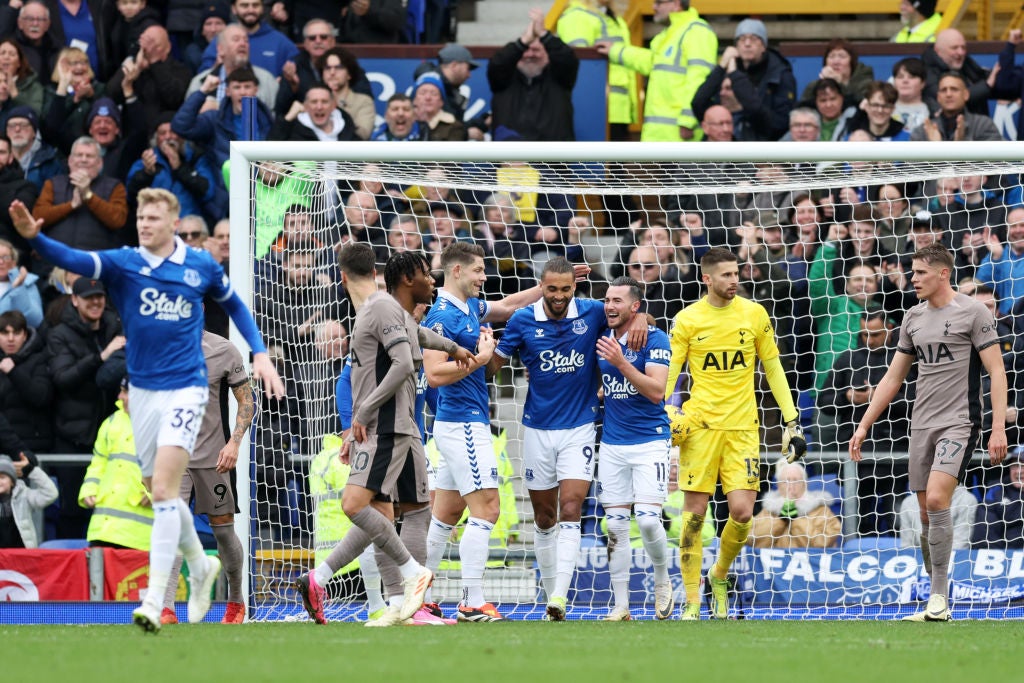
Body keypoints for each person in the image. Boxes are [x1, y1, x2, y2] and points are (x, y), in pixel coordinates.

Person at [8, 187, 284, 632]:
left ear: (172, 223)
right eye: (140, 217)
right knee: (163, 496)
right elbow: (74, 258)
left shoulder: (199, 265)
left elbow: (234, 303)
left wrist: (260, 352)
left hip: (186, 392)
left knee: (168, 498)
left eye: (153, 218)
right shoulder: (124, 262)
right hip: (144, 393)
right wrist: (34, 240)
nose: (144, 224)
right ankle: (199, 565)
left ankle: (157, 602)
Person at [294, 250, 476, 626]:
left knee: (363, 508)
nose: (433, 280)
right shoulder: (382, 308)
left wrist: (361, 413)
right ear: (404, 278)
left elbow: (407, 356)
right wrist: (451, 346)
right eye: (427, 274)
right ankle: (391, 601)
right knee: (390, 513)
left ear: (343, 278)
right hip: (392, 426)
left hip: (389, 427)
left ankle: (409, 582)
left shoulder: (379, 308)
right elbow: (412, 342)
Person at [850, 243, 1007, 622]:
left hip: (960, 421)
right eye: (913, 272)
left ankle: (939, 599)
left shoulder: (974, 312)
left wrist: (998, 427)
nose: (914, 279)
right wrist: (864, 424)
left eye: (920, 273)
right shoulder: (912, 317)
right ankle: (934, 592)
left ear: (943, 274)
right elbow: (893, 377)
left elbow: (997, 372)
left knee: (938, 500)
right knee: (924, 513)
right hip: (921, 424)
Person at [486, 256, 645, 621]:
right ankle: (549, 589)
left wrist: (638, 317)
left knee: (571, 509)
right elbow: (494, 364)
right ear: (541, 287)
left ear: (575, 288)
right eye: (552, 289)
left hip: (580, 427)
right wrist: (474, 352)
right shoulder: (523, 320)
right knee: (544, 517)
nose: (559, 296)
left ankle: (558, 597)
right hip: (538, 429)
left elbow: (630, 314)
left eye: (565, 289)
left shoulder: (591, 312)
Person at [424, 242, 575, 622]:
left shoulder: (470, 307)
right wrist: (481, 359)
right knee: (488, 509)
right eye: (478, 270)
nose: (483, 276)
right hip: (462, 422)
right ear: (456, 271)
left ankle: (418, 594)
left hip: (460, 421)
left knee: (444, 516)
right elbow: (434, 374)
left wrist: (548, 286)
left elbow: (507, 306)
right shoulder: (441, 317)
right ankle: (472, 601)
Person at [666, 247, 805, 619]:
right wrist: (665, 408)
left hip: (744, 428)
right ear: (707, 278)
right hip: (699, 428)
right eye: (726, 275)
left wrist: (792, 421)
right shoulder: (687, 320)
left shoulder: (754, 313)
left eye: (737, 273)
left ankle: (719, 576)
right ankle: (693, 600)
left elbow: (773, 368)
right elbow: (672, 370)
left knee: (742, 513)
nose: (735, 280)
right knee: (693, 515)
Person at [161, 330, 255, 625]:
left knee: (223, 532)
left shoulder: (223, 350)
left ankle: (236, 602)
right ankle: (166, 608)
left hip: (213, 457)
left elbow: (247, 401)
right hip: (174, 454)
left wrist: (234, 443)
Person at [594, 276, 674, 621]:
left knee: (648, 521)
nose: (609, 306)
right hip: (612, 443)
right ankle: (621, 605)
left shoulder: (655, 338)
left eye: (617, 301)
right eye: (607, 300)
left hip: (650, 441)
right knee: (614, 526)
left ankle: (662, 579)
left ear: (635, 307)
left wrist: (622, 364)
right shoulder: (603, 334)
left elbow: (658, 392)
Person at [598, 0, 715, 142]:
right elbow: (651, 62)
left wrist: (688, 120)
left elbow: (699, 79)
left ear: (676, 4)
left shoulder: (696, 31)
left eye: (659, 3)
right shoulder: (670, 34)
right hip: (660, 136)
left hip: (678, 138)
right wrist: (615, 50)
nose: (653, 7)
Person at [78, 377, 153, 551]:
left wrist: (154, 492)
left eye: (126, 392)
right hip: (103, 530)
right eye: (121, 390)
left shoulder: (161, 424)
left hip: (139, 535)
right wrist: (89, 489)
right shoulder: (111, 422)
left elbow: (175, 468)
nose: (120, 396)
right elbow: (98, 462)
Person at [691, 18, 795, 142]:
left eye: (754, 39)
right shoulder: (726, 68)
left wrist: (734, 74)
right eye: (742, 39)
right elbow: (698, 103)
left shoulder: (780, 74)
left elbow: (765, 116)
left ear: (764, 47)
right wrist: (721, 66)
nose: (747, 44)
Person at [488, 8, 579, 142]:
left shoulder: (559, 78)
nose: (530, 55)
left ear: (547, 54)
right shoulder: (503, 80)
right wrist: (523, 42)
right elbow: (497, 63)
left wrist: (543, 34)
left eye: (536, 50)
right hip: (511, 158)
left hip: (552, 158)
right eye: (525, 50)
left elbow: (567, 59)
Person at [556, 0, 637, 140]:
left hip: (618, 111)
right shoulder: (577, 17)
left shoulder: (612, 18)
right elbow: (581, 69)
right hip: (597, 110)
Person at [748, 462, 841, 549]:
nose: (790, 485)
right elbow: (752, 541)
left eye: (796, 480)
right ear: (778, 486)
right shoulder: (768, 510)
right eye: (785, 481)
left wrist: (796, 520)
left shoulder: (821, 510)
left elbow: (823, 544)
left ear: (805, 484)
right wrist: (780, 520)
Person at [911, 71, 1002, 142]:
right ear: (938, 97)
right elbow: (910, 164)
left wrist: (963, 142)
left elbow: (996, 161)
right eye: (943, 90)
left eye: (954, 89)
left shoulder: (983, 125)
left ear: (966, 95)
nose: (948, 94)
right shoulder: (923, 130)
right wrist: (936, 149)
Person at [0, 452, 57, 548]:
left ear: (12, 482)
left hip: (22, 556)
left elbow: (50, 494)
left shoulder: (24, 495)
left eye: (2, 477)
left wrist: (31, 471)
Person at [971, 451, 1024, 549]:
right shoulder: (997, 490)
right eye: (1015, 465)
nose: (1018, 471)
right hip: (1007, 557)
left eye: (1023, 465)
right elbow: (985, 533)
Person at [899, 484, 977, 549]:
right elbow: (906, 547)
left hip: (954, 562)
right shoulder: (908, 503)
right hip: (918, 562)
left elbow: (960, 546)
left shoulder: (967, 501)